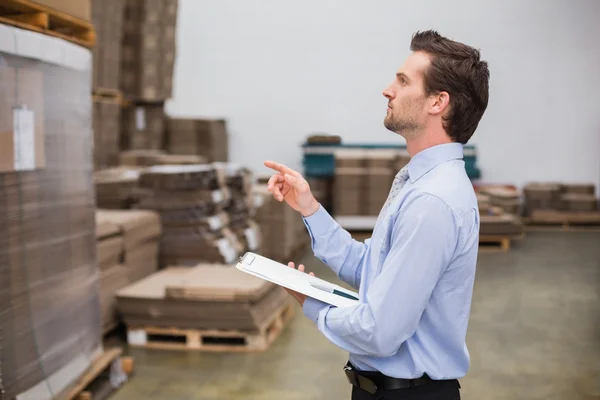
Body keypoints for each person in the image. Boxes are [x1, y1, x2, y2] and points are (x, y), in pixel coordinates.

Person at [265, 30, 489, 400]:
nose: (388, 90)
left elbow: (380, 332)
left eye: (402, 81)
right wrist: (309, 206)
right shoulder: (416, 180)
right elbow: (371, 267)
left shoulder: (433, 201)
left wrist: (313, 303)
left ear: (438, 102)